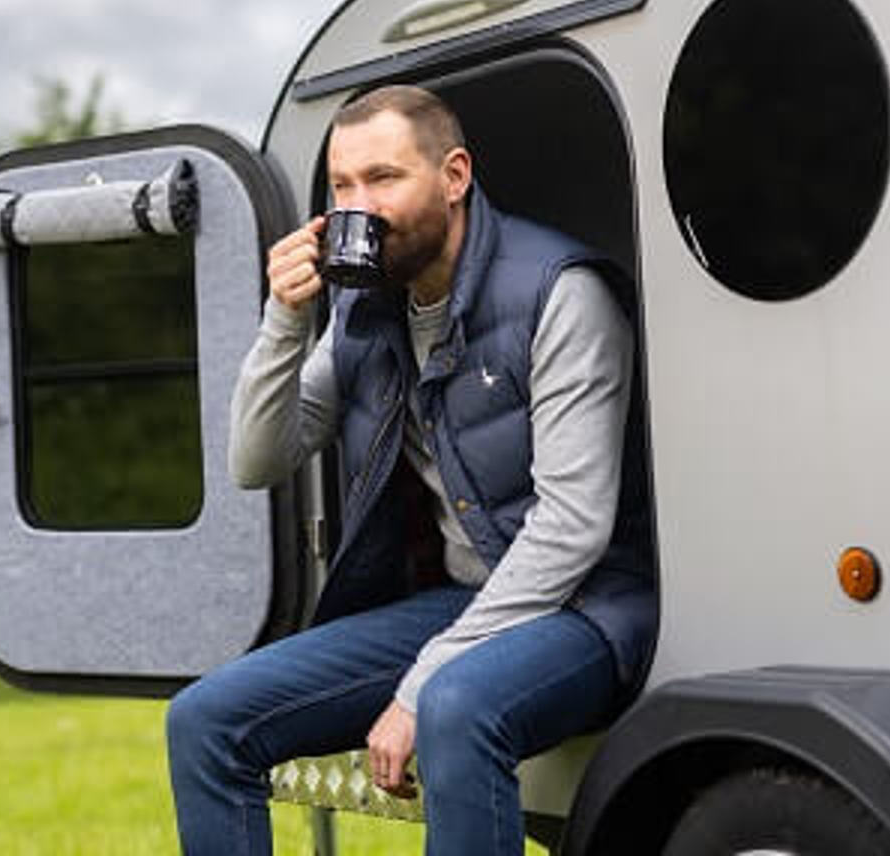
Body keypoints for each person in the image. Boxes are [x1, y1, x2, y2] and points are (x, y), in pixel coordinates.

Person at [166, 85, 657, 856]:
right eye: (342, 186)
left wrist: (422, 681)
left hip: (587, 604)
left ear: (454, 177)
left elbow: (573, 528)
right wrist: (285, 319)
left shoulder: (560, 293)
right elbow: (258, 460)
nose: (360, 205)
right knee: (205, 719)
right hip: (462, 602)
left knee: (454, 707)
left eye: (384, 179)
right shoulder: (365, 310)